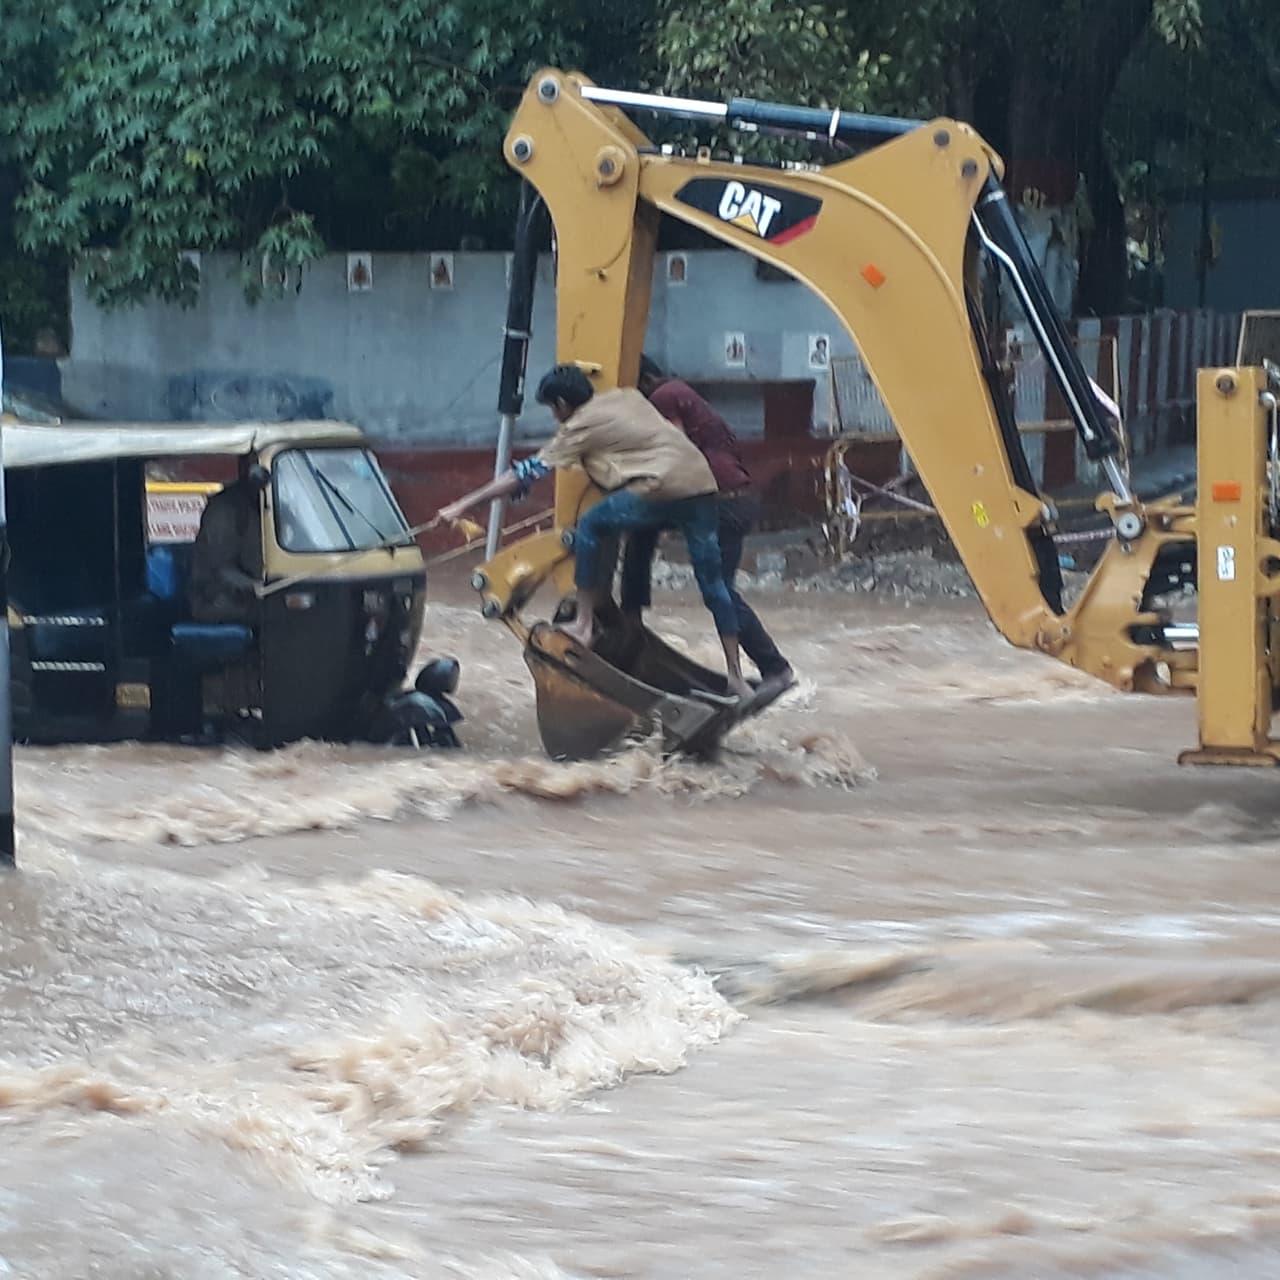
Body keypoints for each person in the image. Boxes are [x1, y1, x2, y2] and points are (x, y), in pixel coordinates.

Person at [431, 363, 753, 702]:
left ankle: (583, 624)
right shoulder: (624, 398)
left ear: (561, 404)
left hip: (661, 487)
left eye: (553, 410)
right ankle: (735, 677)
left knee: (590, 525)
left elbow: (525, 472)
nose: (556, 418)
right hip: (701, 486)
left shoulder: (578, 426)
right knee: (714, 584)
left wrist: (462, 506)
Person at [625, 356, 794, 697]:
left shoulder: (663, 397)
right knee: (721, 590)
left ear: (640, 381)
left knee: (640, 532)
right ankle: (774, 668)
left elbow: (679, 450)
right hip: (736, 498)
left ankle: (629, 625)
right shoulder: (682, 392)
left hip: (717, 501)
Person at [188, 462, 268, 624]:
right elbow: (221, 568)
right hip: (214, 598)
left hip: (247, 595)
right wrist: (254, 586)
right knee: (280, 617)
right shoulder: (224, 509)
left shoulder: (261, 506)